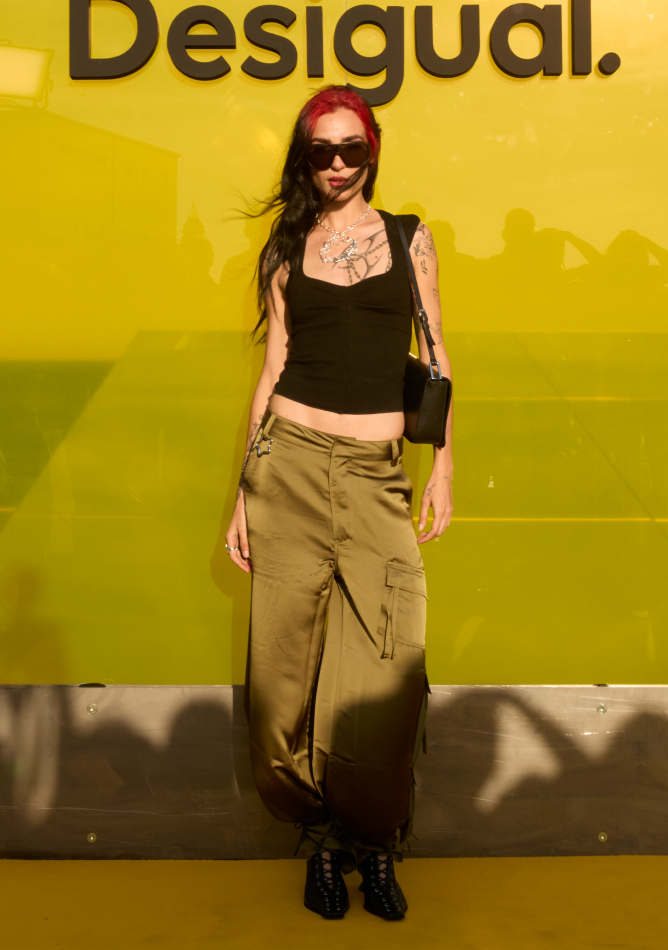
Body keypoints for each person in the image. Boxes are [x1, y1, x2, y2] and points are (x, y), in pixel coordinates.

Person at [224, 85, 454, 920]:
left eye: (351, 148)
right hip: (285, 467)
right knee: (281, 687)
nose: (336, 164)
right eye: (320, 150)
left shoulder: (408, 238)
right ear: (305, 156)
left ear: (373, 150)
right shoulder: (285, 249)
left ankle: (374, 839)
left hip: (373, 476)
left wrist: (443, 465)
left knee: (387, 677)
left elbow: (436, 354)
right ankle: (323, 839)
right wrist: (242, 492)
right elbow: (273, 368)